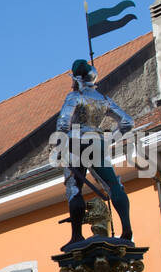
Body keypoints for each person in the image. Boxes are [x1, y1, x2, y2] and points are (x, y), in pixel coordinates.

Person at [56, 59, 134, 245]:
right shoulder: (104, 100)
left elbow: (63, 123)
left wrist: (62, 146)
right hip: (97, 142)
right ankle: (126, 227)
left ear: (76, 79)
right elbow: (127, 122)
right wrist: (109, 140)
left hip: (76, 142)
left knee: (75, 189)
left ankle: (76, 235)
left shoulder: (74, 97)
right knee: (114, 185)